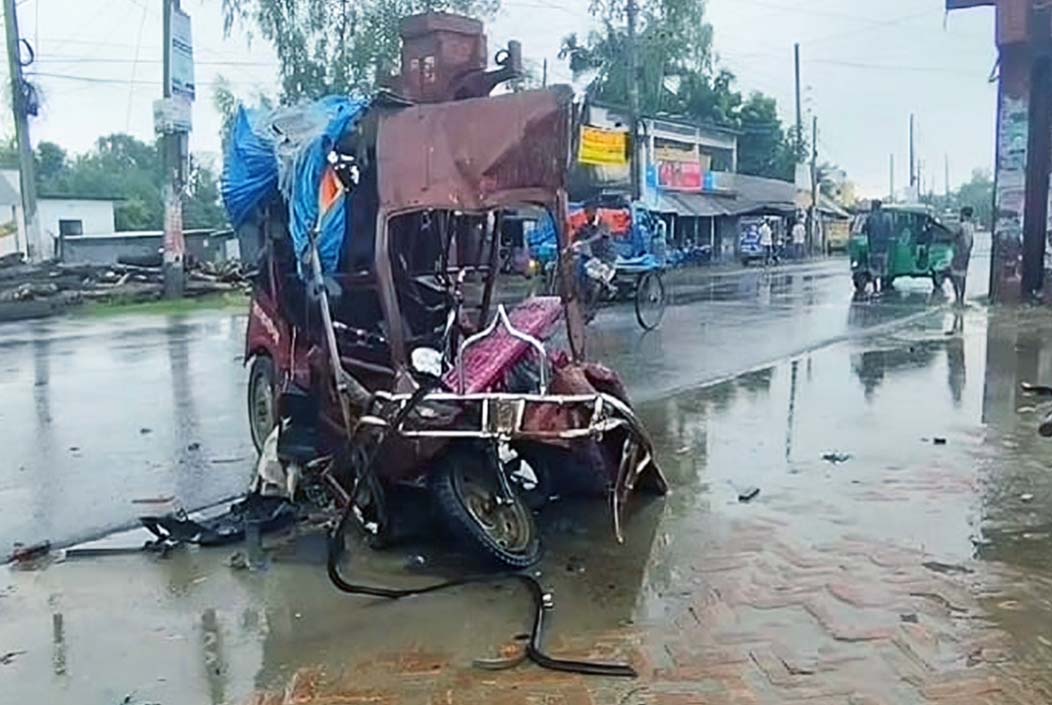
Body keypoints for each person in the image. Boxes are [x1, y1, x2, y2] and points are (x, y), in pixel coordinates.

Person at [864, 200, 893, 294]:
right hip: (884, 248)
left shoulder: (869, 218)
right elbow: (890, 231)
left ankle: (876, 288)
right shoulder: (887, 217)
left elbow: (866, 230)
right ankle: (883, 287)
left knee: (874, 269)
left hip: (873, 248)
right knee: (883, 268)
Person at [951, 206, 975, 306]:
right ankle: (961, 299)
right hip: (966, 254)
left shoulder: (961, 226)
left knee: (954, 275)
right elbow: (972, 241)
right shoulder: (971, 226)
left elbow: (954, 236)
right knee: (963, 276)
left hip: (958, 254)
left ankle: (957, 297)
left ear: (963, 215)